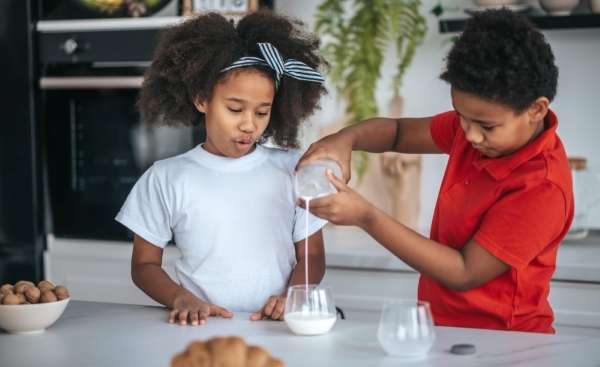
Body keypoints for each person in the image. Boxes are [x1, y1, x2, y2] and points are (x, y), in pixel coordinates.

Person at [297, 9, 573, 333]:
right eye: (462, 117)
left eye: (486, 125)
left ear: (536, 109)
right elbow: (397, 133)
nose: (470, 135)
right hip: (442, 329)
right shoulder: (473, 133)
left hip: (506, 340)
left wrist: (366, 216)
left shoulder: (541, 186)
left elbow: (464, 272)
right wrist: (345, 139)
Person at [116, 11, 328, 326]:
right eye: (235, 108)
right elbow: (144, 265)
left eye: (262, 112)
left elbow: (311, 256)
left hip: (278, 327)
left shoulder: (293, 169)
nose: (249, 124)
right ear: (202, 98)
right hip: (198, 328)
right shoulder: (166, 177)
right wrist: (180, 297)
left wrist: (293, 296)